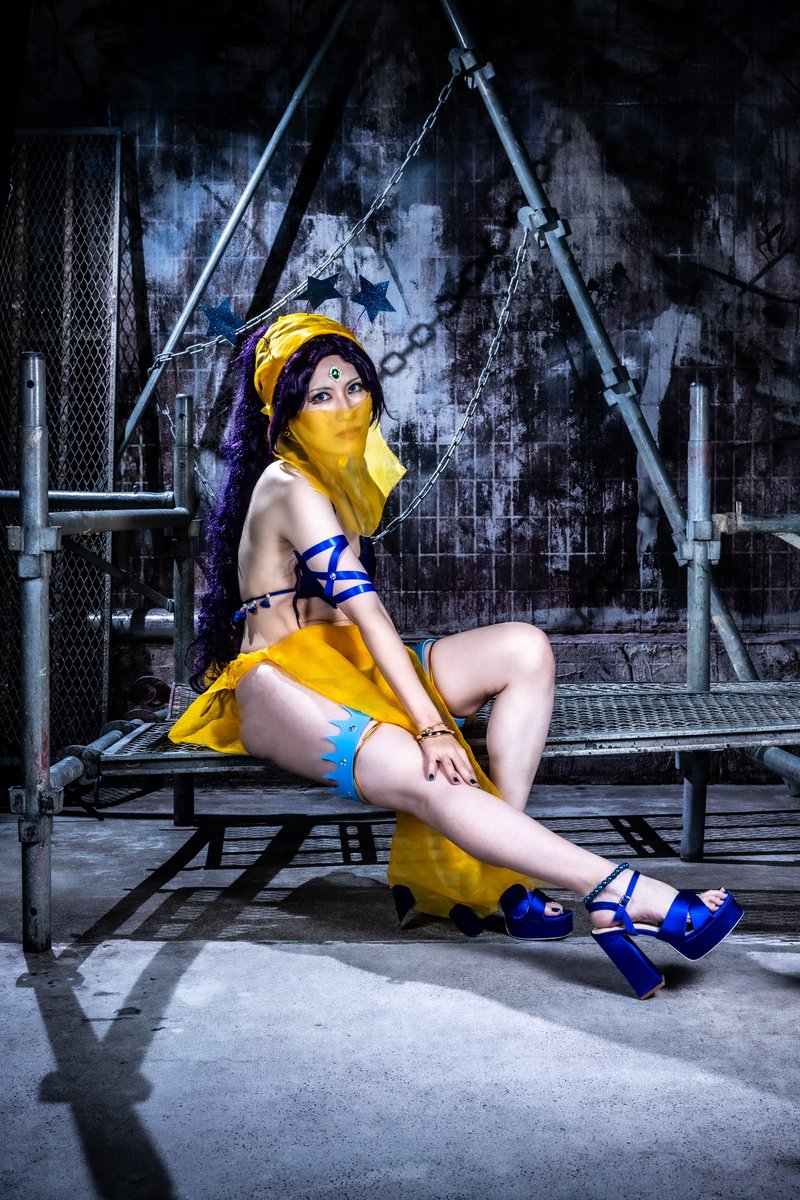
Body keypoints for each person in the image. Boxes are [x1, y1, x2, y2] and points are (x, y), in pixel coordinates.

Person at [169, 311, 743, 999]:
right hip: (280, 683)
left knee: (526, 649)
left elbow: (360, 629)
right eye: (320, 395)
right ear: (284, 415)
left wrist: (427, 715)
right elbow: (368, 612)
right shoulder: (288, 484)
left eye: (353, 387)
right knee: (433, 771)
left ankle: (493, 877)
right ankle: (621, 891)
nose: (345, 406)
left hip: (347, 660)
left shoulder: (341, 476)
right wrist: (433, 726)